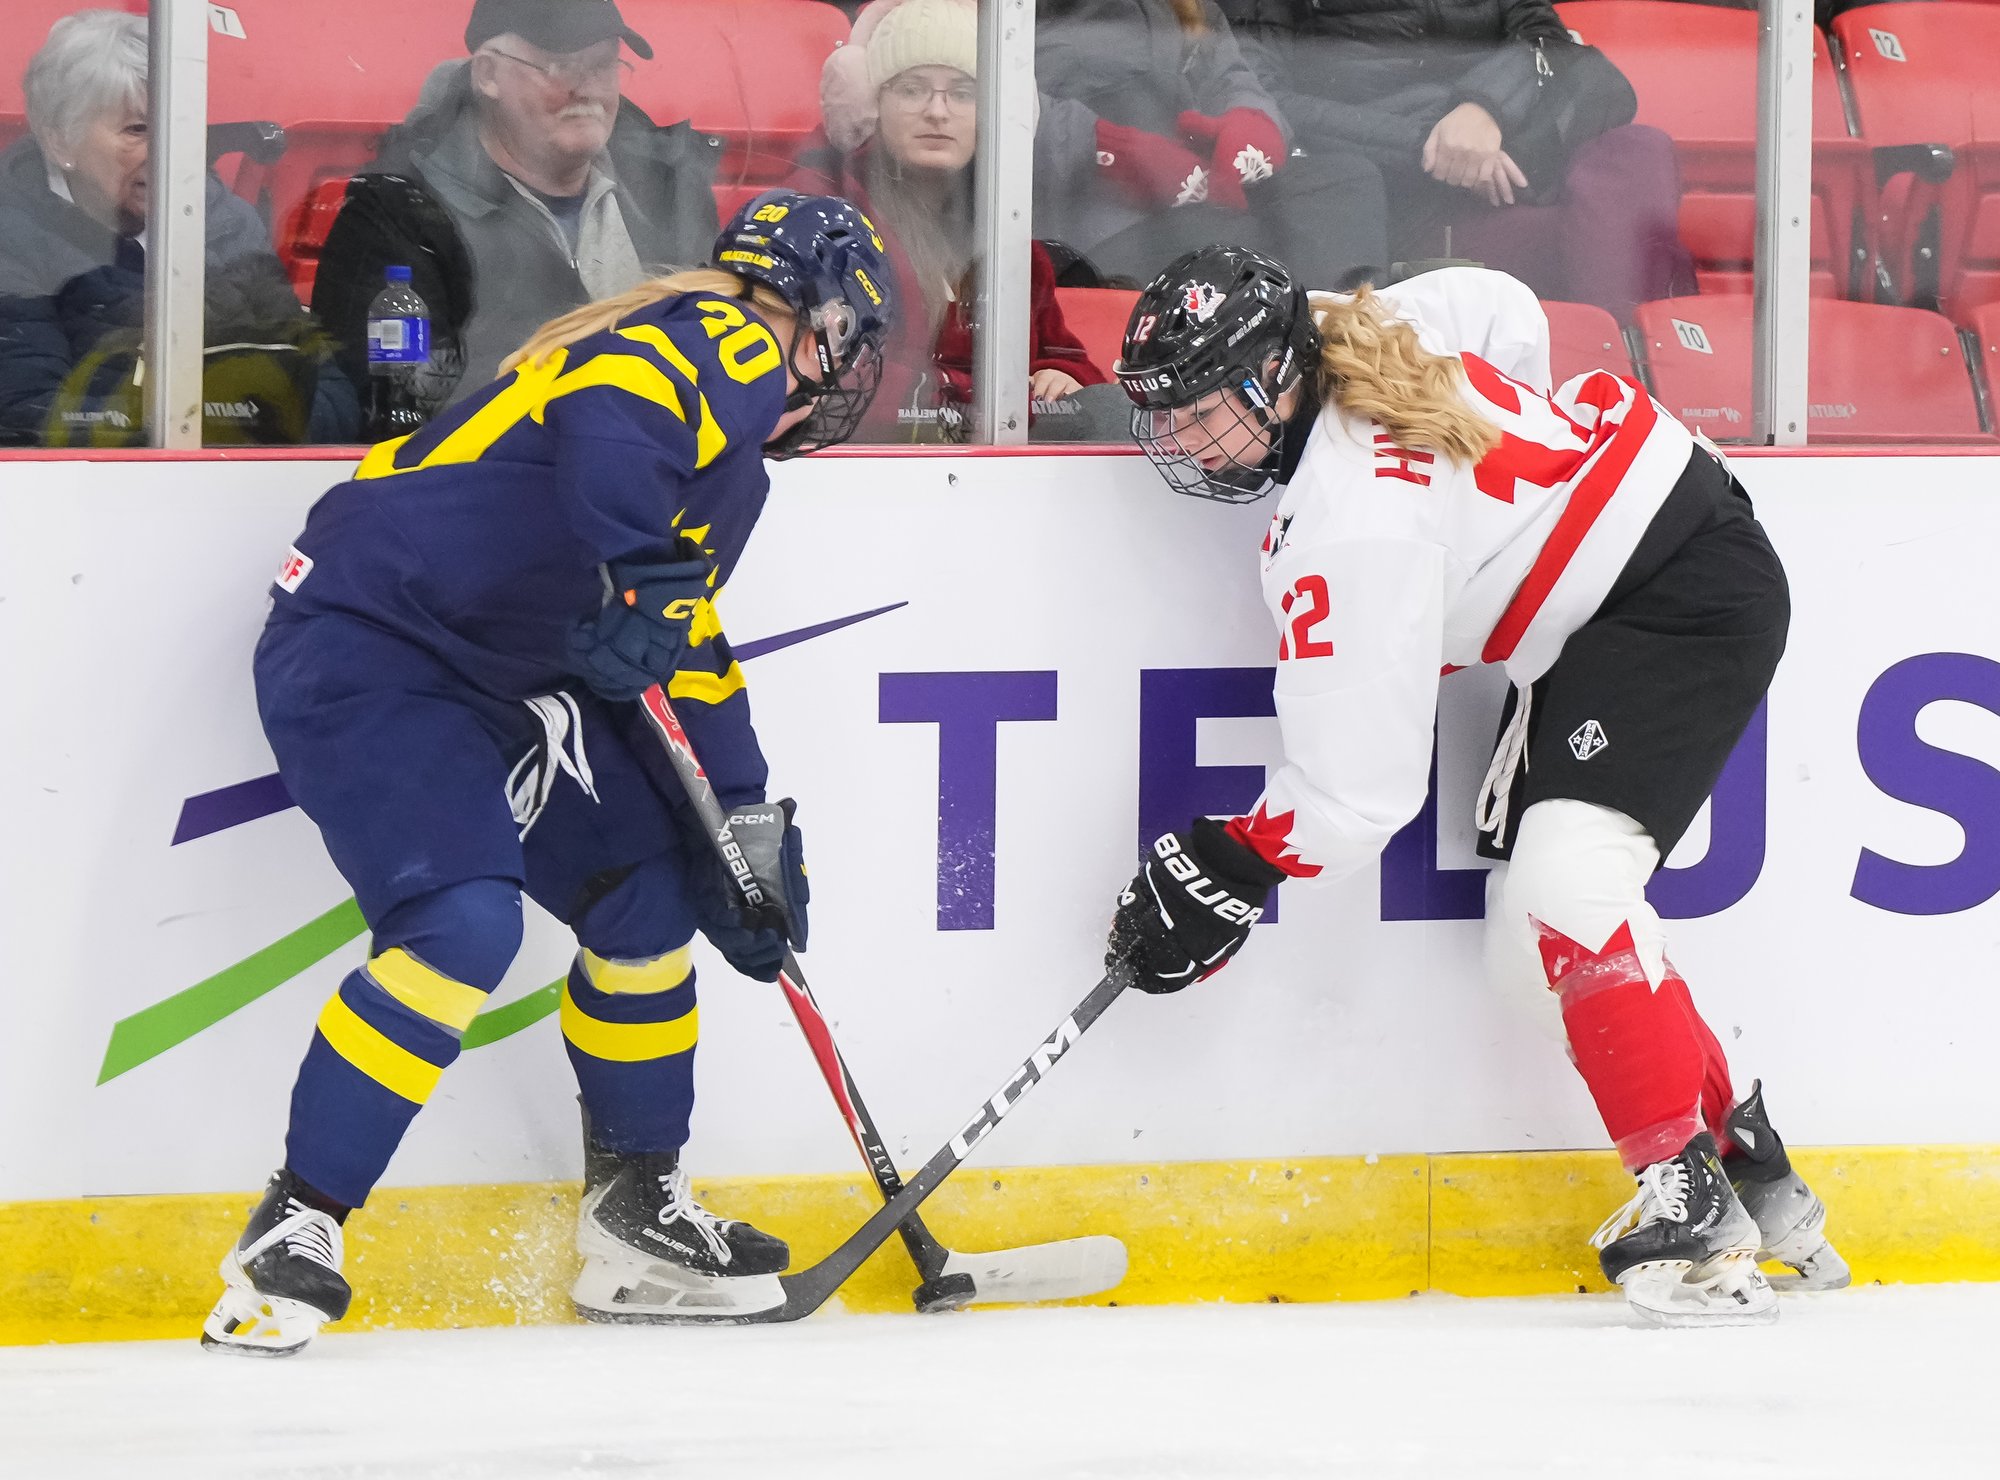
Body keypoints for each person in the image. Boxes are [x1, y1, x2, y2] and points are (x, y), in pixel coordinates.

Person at [200, 190, 895, 1356]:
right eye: (849, 339)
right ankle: (296, 1221)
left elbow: (681, 635)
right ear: (816, 318)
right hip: (377, 643)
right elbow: (611, 412)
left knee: (652, 893)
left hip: (506, 675)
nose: (846, 371)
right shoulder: (723, 338)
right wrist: (640, 571)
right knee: (460, 924)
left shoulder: (733, 462)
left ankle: (634, 1218)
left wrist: (738, 817)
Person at [1103, 244, 1847, 1326]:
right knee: (1527, 947)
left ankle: (1690, 1206)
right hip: (1627, 577)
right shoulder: (1351, 324)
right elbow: (1498, 306)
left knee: (1566, 894)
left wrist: (1231, 859)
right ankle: (1747, 1165)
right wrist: (1513, 529)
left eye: (1199, 407)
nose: (1179, 436)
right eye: (1164, 410)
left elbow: (1358, 793)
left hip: (1679, 595)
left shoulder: (1349, 524)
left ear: (1273, 379)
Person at [311, 0, 720, 419]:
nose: (588, 90)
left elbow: (726, 358)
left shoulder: (673, 188)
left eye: (603, 66)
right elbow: (400, 412)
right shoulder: (400, 215)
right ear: (489, 74)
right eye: (561, 67)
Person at [0, 10, 357, 446]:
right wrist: (231, 418)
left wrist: (216, 424)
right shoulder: (11, 235)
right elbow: (30, 415)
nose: (167, 151)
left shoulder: (226, 224)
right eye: (138, 129)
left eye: (179, 126)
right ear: (59, 140)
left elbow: (333, 397)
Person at [1218, 0, 1691, 320]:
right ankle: (1611, 368)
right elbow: (1262, 97)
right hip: (1394, 183)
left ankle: (1630, 377)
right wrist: (1432, 145)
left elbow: (1554, 49)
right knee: (1598, 235)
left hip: (1508, 146)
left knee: (1638, 150)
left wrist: (1485, 109)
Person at [805, 0, 1112, 441]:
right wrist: (977, 394)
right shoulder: (827, 225)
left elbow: (1067, 356)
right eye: (912, 89)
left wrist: (1062, 376)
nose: (937, 111)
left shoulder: (1007, 228)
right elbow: (839, 379)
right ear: (871, 104)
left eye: (964, 93)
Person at [1033, 0, 1388, 292]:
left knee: (1349, 183)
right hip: (1092, 216)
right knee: (1234, 242)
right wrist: (1107, 148)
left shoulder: (1184, 6)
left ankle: (1339, 327)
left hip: (1200, 183)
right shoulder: (1023, 14)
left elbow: (1229, 74)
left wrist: (1253, 120)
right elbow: (1004, 104)